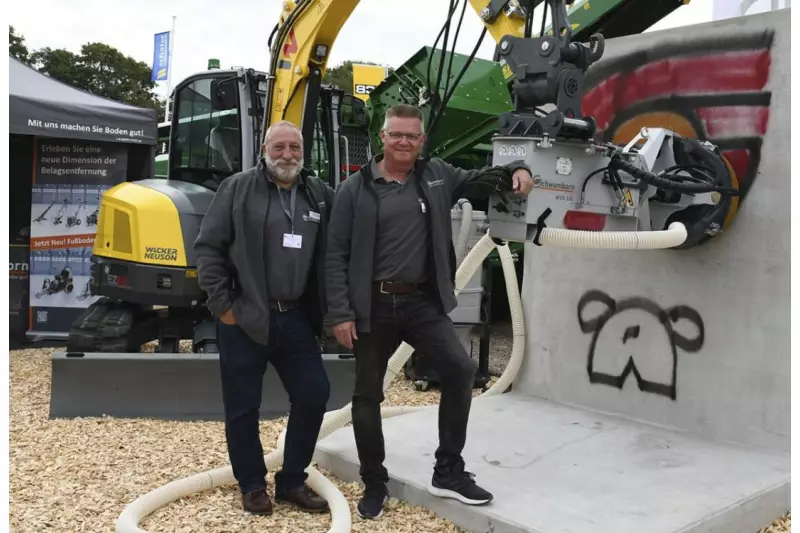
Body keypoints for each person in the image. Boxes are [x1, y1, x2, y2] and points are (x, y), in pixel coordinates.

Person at [324, 103, 534, 519]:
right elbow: (335, 255)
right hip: (372, 305)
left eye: (412, 136)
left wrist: (521, 168)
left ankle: (448, 472)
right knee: (367, 395)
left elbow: (483, 178)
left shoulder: (437, 175)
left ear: (422, 141)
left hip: (422, 302)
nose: (403, 142)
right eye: (395, 134)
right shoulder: (355, 189)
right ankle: (374, 480)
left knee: (459, 372)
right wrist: (340, 314)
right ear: (382, 137)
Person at [194, 120, 335, 516]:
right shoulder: (237, 189)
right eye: (279, 148)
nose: (287, 155)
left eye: (294, 147)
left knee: (314, 394)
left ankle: (291, 480)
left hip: (295, 319)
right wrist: (224, 307)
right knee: (243, 406)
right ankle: (253, 484)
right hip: (245, 316)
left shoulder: (319, 194)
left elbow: (338, 250)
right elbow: (208, 248)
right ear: (264, 150)